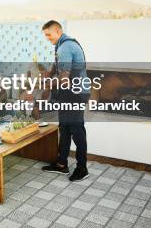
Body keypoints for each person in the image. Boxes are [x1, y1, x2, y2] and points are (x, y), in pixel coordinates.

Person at [40, 20, 90, 182]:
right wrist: (48, 73)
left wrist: (45, 84)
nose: (47, 38)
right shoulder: (63, 44)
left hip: (75, 93)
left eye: (49, 34)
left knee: (76, 130)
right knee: (65, 128)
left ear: (57, 30)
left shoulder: (64, 47)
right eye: (45, 35)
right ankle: (62, 164)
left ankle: (82, 168)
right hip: (70, 92)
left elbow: (64, 80)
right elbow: (59, 66)